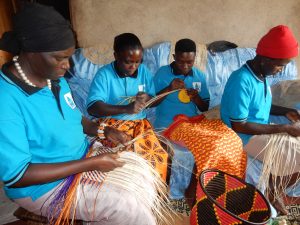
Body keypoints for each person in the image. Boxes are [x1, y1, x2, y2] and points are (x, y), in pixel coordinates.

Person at [0, 4, 160, 225]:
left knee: (143, 175)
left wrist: (104, 130)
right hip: (43, 187)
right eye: (59, 58)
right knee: (127, 206)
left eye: (69, 57)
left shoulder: (55, 79)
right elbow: (17, 176)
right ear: (31, 52)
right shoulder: (6, 99)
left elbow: (77, 119)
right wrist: (90, 164)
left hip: (82, 155)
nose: (68, 66)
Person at [220, 25, 300, 214]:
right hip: (242, 136)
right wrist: (284, 128)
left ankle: (273, 188)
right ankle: (272, 190)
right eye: (280, 65)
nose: (281, 70)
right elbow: (239, 124)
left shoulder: (262, 75)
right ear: (264, 59)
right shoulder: (241, 80)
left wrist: (287, 110)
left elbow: (260, 106)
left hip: (259, 129)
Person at [86, 33, 168, 181]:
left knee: (157, 157)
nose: (134, 66)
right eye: (128, 62)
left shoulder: (143, 71)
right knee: (124, 160)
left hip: (140, 125)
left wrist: (148, 98)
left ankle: (150, 200)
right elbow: (93, 107)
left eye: (138, 61)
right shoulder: (104, 75)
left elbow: (154, 101)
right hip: (112, 125)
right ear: (116, 56)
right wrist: (125, 109)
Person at [152, 39, 211, 204]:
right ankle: (162, 189)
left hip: (190, 124)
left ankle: (192, 190)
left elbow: (205, 107)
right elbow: (152, 102)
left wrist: (196, 97)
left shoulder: (199, 75)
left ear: (195, 59)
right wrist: (169, 88)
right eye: (181, 61)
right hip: (166, 123)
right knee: (166, 151)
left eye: (189, 62)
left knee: (205, 147)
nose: (185, 66)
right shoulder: (163, 73)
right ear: (174, 57)